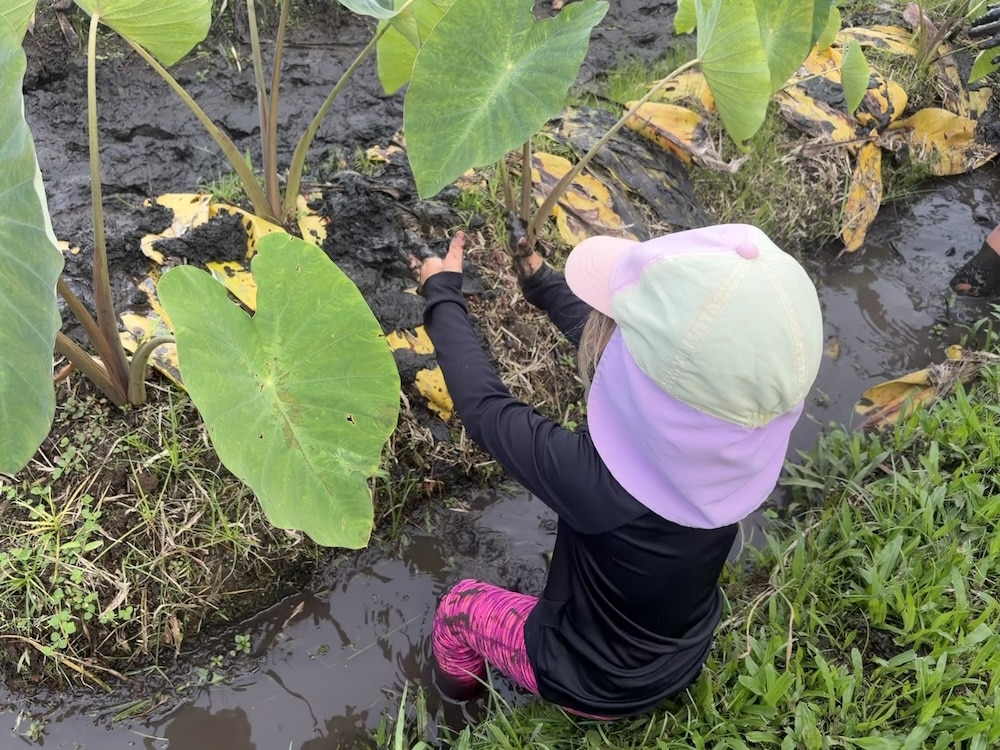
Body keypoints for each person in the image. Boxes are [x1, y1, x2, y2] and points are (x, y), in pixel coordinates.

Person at [411, 223, 824, 718]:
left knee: (459, 608)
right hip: (679, 656)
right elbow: (624, 348)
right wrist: (541, 284)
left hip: (594, 682)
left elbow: (484, 410)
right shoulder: (738, 454)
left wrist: (442, 293)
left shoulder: (591, 482)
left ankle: (458, 705)